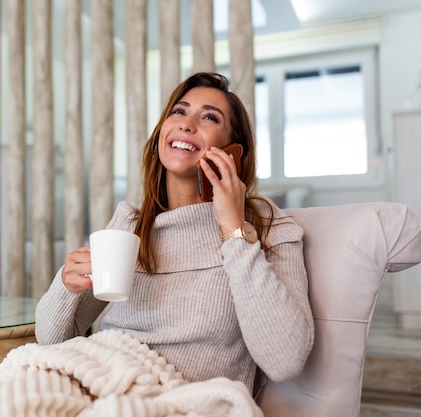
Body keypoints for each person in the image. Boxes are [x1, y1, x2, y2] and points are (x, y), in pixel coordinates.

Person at [35, 72, 315, 396]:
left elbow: (286, 360)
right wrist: (65, 286)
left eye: (209, 117)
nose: (187, 123)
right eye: (179, 112)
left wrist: (233, 230)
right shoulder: (129, 226)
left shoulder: (266, 225)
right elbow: (50, 341)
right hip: (102, 381)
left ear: (234, 151)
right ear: (161, 135)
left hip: (179, 401)